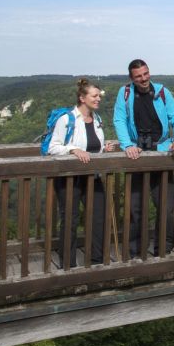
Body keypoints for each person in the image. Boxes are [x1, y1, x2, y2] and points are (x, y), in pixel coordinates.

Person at [113, 59, 174, 258]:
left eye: (146, 74)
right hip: (137, 155)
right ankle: (135, 251)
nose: (144, 79)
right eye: (139, 76)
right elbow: (119, 119)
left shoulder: (162, 92)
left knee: (165, 206)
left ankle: (163, 248)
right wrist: (127, 145)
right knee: (136, 207)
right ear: (132, 78)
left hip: (162, 153)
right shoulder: (125, 93)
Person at [46, 78, 117, 267]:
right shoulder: (67, 119)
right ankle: (68, 265)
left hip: (93, 176)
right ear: (82, 98)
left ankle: (96, 261)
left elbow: (94, 148)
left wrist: (104, 149)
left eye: (98, 96)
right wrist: (72, 150)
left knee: (99, 217)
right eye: (94, 96)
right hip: (70, 178)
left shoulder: (97, 120)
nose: (98, 99)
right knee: (70, 219)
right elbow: (53, 147)